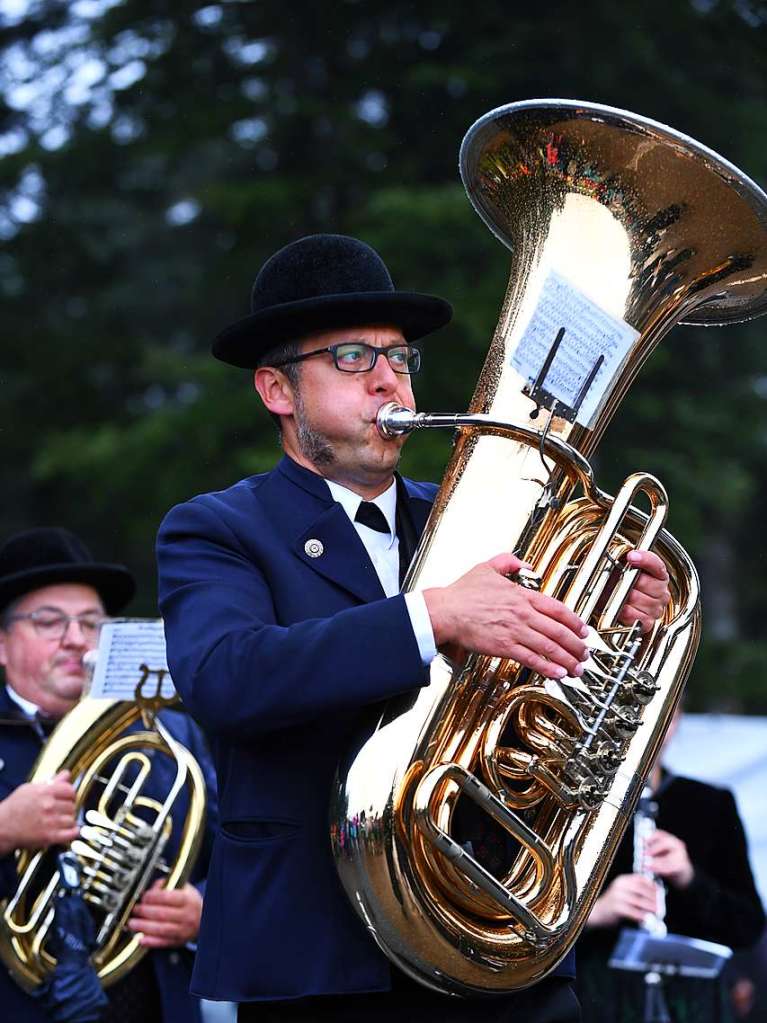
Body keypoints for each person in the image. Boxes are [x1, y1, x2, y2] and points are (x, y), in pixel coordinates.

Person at [156, 233, 671, 1023]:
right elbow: (227, 677)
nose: (389, 378)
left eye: (399, 357)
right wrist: (430, 615)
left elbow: (543, 706)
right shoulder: (218, 527)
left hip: (502, 944)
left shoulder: (481, 516)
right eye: (354, 358)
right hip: (321, 960)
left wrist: (616, 631)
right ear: (277, 390)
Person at [0, 527, 219, 1023]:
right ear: (2, 644)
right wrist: (6, 827)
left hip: (156, 1002)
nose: (76, 640)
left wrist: (206, 911)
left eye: (92, 623)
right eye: (49, 622)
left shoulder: (171, 733)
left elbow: (238, 850)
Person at [575, 712, 765, 1022]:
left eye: (665, 713)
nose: (648, 723)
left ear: (676, 722)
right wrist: (596, 912)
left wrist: (690, 879)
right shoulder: (579, 803)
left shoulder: (710, 804)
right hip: (599, 998)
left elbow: (747, 927)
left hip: (695, 1003)